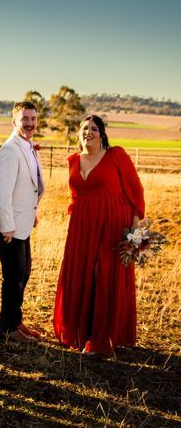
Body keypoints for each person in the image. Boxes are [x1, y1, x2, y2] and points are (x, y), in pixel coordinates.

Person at [53, 115, 145, 356]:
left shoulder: (116, 155)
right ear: (78, 133)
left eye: (94, 128)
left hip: (112, 225)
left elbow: (135, 191)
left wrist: (135, 228)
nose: (89, 132)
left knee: (102, 274)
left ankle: (100, 338)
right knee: (82, 272)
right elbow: (74, 195)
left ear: (102, 134)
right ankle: (80, 332)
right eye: (84, 128)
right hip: (82, 227)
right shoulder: (73, 160)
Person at [0, 101, 45, 342]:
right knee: (14, 277)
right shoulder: (10, 149)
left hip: (22, 222)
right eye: (25, 119)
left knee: (24, 273)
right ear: (14, 122)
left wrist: (32, 212)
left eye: (33, 119)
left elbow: (29, 187)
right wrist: (8, 226)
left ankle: (15, 321)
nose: (30, 123)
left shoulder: (28, 146)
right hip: (10, 226)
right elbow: (1, 193)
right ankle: (7, 328)